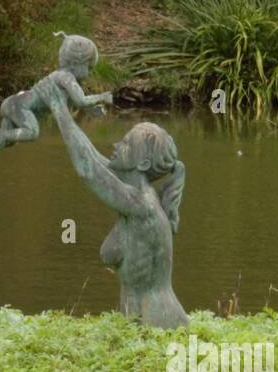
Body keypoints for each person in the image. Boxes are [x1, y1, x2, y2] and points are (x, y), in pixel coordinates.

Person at [33, 74, 188, 329]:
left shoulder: (140, 202)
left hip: (159, 321)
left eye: (127, 144)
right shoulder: (132, 190)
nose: (117, 144)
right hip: (141, 319)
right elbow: (91, 157)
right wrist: (63, 110)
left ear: (144, 163)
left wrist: (59, 108)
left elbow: (88, 170)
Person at [0, 33, 113, 162]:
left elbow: (73, 103)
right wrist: (103, 96)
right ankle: (2, 135)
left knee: (11, 141)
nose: (90, 71)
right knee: (32, 132)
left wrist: (92, 110)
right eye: (88, 67)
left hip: (13, 103)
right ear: (75, 64)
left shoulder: (60, 75)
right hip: (20, 106)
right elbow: (80, 100)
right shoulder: (66, 77)